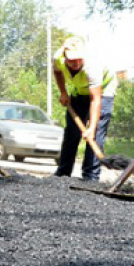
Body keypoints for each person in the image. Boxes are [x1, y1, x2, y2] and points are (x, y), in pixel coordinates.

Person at [52, 36, 117, 182]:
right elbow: (57, 72)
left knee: (96, 133)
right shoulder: (58, 59)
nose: (76, 63)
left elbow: (96, 100)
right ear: (64, 55)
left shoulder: (92, 67)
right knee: (72, 131)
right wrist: (63, 92)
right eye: (72, 60)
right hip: (80, 90)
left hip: (103, 91)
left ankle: (91, 177)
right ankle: (63, 173)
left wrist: (91, 128)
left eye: (79, 59)